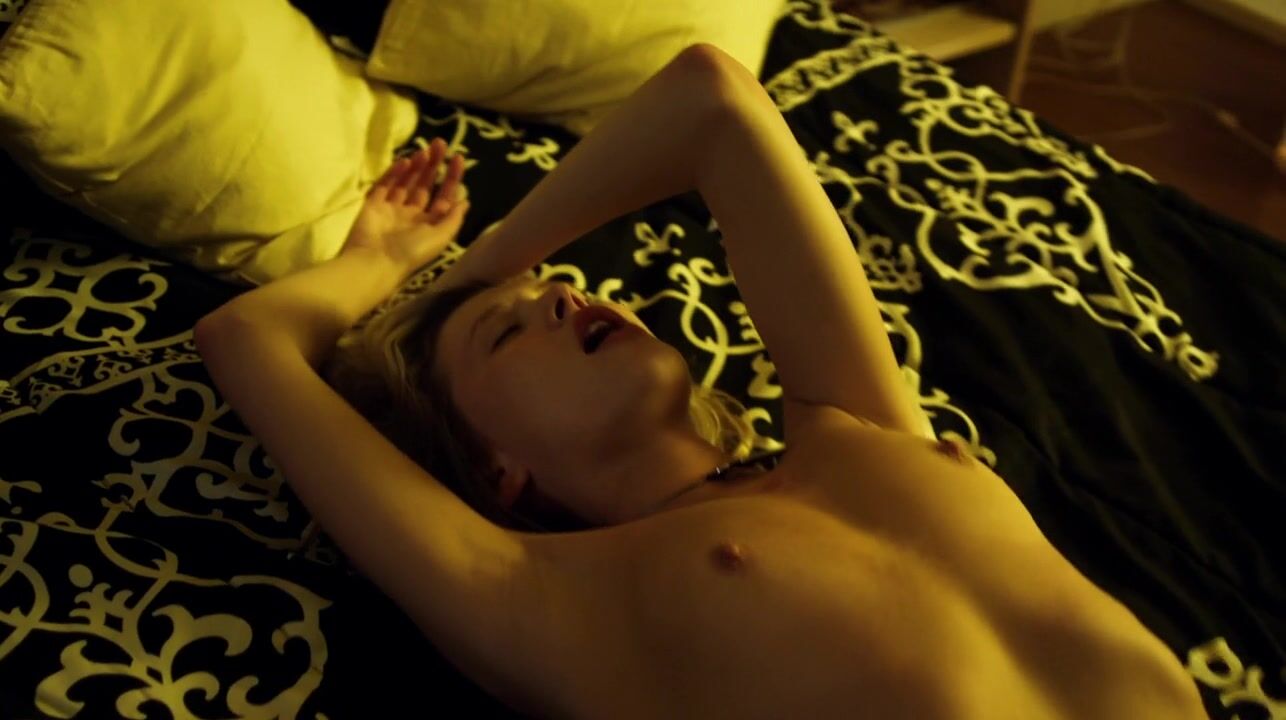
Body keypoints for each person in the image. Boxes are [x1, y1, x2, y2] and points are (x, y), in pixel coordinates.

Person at [194, 43, 1208, 719]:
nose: (562, 295)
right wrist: (386, 265)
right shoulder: (540, 598)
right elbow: (245, 338)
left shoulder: (849, 423)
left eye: (558, 286)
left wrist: (485, 267)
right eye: (507, 332)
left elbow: (712, 98)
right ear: (495, 469)